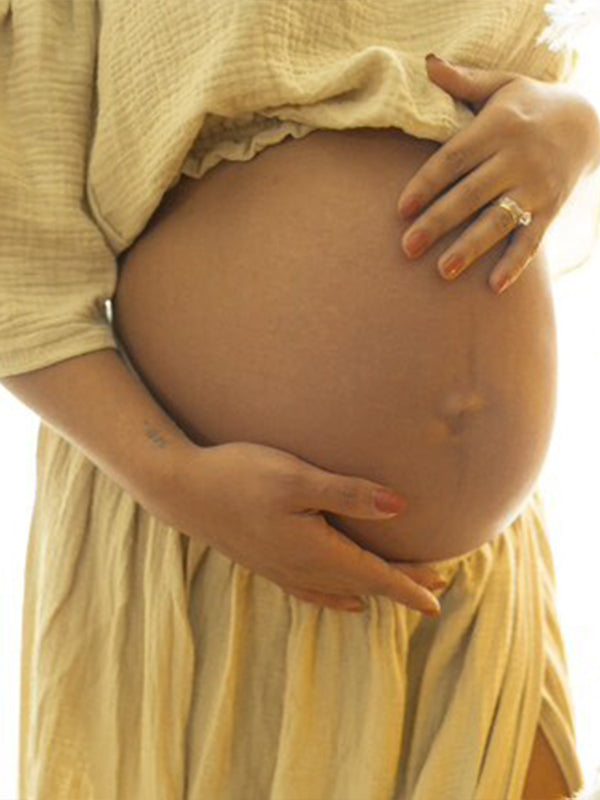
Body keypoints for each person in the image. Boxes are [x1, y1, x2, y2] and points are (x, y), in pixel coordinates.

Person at [1, 1, 598, 798]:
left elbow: (524, 83)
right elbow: (18, 257)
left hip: (465, 584)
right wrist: (175, 480)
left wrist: (575, 127)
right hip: (212, 544)